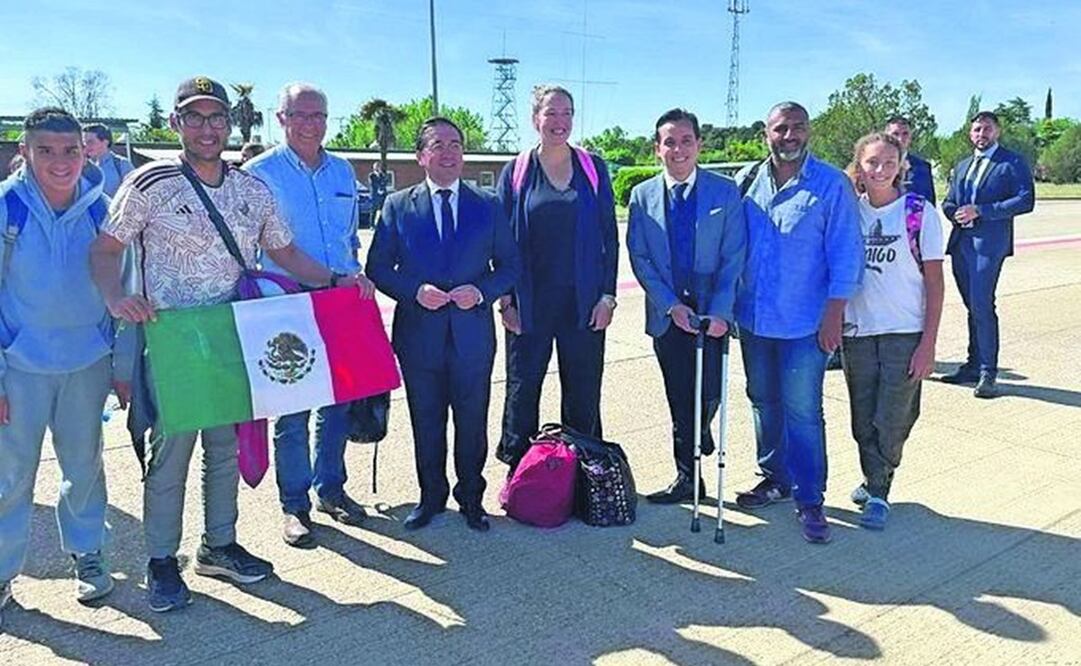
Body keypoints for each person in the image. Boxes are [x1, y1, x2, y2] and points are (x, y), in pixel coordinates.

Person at [90, 76, 369, 613]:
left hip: (235, 334)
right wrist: (115, 297)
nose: (207, 128)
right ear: (176, 123)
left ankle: (218, 545)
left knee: (224, 450)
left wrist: (336, 279)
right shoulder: (149, 183)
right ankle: (161, 560)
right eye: (194, 117)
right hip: (174, 339)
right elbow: (105, 250)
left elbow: (285, 254)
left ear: (229, 124)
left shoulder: (250, 189)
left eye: (216, 117)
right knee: (171, 455)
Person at [0, 108, 128, 620]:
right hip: (18, 368)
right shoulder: (7, 208)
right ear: (25, 152)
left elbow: (125, 288)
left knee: (84, 466)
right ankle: (3, 572)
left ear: (85, 151)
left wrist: (121, 365)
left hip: (87, 363)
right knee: (10, 476)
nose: (60, 162)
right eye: (46, 151)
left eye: (70, 150)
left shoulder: (105, 211)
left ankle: (88, 553)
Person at [367, 117, 520, 532]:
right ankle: (431, 497)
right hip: (419, 336)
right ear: (421, 156)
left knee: (472, 421)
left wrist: (482, 292)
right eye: (438, 145)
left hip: (472, 336)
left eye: (455, 144)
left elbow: (511, 265)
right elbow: (378, 267)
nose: (449, 152)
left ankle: (471, 498)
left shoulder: (488, 204)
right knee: (426, 420)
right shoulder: (398, 205)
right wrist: (414, 291)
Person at [244, 83, 374, 548]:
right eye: (299, 115)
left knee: (338, 402)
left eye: (318, 115)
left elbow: (349, 235)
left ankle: (331, 488)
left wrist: (354, 275)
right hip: (287, 302)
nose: (309, 124)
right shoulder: (259, 174)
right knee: (292, 412)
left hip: (339, 299)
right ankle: (294, 504)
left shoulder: (342, 170)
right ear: (280, 118)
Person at [733, 101, 864, 544]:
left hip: (806, 324)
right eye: (781, 128)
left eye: (798, 127)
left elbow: (847, 254)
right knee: (762, 400)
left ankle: (810, 498)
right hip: (753, 319)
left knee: (803, 411)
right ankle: (775, 478)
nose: (790, 136)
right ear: (766, 134)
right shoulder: (747, 181)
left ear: (809, 132)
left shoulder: (831, 184)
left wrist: (834, 315)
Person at [627, 108, 746, 503]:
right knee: (679, 396)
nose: (678, 149)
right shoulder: (642, 196)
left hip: (712, 313)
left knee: (709, 391)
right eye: (670, 142)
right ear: (657, 148)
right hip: (669, 316)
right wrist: (669, 305)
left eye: (686, 141)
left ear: (699, 144)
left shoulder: (724, 191)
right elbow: (640, 257)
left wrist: (722, 311)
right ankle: (687, 478)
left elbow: (734, 255)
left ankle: (701, 428)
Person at [496, 85, 618, 468]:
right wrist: (505, 301)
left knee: (583, 392)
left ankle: (584, 473)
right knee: (522, 390)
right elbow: (499, 241)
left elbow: (609, 236)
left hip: (583, 304)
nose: (559, 121)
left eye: (566, 113)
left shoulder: (592, 168)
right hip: (529, 303)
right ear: (536, 119)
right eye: (551, 113)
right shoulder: (517, 171)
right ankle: (519, 473)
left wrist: (607, 296)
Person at [842, 132, 945, 529]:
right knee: (862, 419)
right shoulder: (850, 212)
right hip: (858, 333)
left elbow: (934, 283)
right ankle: (875, 478)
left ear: (901, 166)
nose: (880, 170)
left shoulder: (918, 212)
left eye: (889, 162)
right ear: (859, 166)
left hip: (904, 332)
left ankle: (879, 489)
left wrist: (928, 344)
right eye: (872, 162)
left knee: (894, 418)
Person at [940, 111, 1034, 398]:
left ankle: (988, 373)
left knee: (982, 305)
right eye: (977, 130)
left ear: (997, 132)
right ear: (970, 134)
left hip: (989, 245)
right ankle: (972, 365)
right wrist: (955, 213)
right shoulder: (963, 165)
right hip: (961, 244)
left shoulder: (1011, 162)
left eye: (987, 129)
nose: (981, 134)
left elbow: (1026, 200)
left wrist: (981, 211)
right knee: (972, 306)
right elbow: (949, 201)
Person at [884, 116, 936, 205]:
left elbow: (929, 202)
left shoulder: (923, 167)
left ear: (910, 137)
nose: (900, 139)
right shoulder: (876, 166)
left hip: (913, 213)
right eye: (895, 134)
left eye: (905, 134)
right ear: (886, 136)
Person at [82, 123, 134, 197]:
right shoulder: (84, 167)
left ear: (105, 142)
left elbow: (133, 194)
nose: (86, 146)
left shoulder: (122, 165)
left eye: (90, 142)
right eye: (84, 143)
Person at [369, 160, 388, 228]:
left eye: (378, 166)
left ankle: (382, 224)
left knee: (383, 209)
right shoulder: (371, 175)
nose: (378, 167)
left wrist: (382, 189)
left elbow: (385, 182)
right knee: (373, 210)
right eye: (376, 166)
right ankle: (372, 225)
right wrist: (378, 189)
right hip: (375, 195)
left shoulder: (382, 175)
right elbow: (373, 184)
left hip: (382, 195)